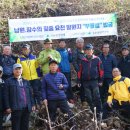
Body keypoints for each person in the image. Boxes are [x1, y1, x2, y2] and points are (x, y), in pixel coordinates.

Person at [3, 63, 35, 130]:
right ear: (13, 71)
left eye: (19, 69)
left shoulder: (26, 81)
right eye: (16, 69)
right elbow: (5, 95)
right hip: (16, 108)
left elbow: (30, 94)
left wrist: (32, 104)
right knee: (16, 127)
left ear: (22, 70)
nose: (18, 70)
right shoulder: (8, 81)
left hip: (26, 108)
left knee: (25, 126)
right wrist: (7, 107)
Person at [78, 44, 104, 114]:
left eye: (90, 50)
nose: (89, 51)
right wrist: (79, 81)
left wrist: (101, 80)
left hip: (94, 81)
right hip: (85, 82)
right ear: (85, 51)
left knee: (97, 97)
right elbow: (79, 71)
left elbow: (101, 70)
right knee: (89, 98)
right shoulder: (82, 60)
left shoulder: (97, 59)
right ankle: (93, 112)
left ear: (92, 51)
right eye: (87, 50)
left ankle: (100, 112)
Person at [72, 37, 86, 106]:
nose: (80, 44)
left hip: (87, 72)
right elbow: (74, 62)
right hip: (80, 72)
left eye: (81, 42)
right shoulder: (75, 52)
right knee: (82, 86)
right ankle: (83, 100)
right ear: (76, 44)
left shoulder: (85, 51)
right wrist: (79, 70)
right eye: (79, 42)